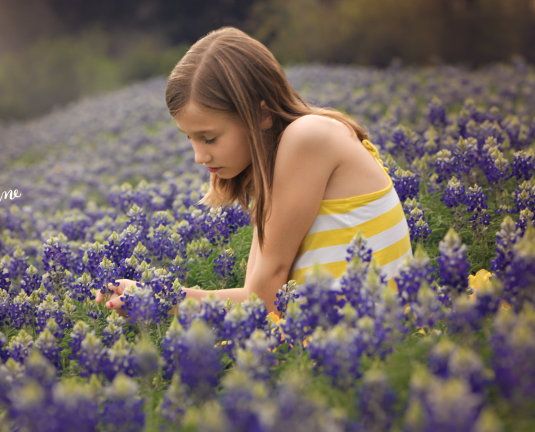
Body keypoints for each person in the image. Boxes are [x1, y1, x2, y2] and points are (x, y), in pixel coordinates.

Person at [95, 26, 412, 318]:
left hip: (365, 347)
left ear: (261, 114)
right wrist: (157, 298)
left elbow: (265, 302)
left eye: (209, 138)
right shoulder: (281, 169)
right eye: (189, 138)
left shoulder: (309, 136)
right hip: (337, 340)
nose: (198, 156)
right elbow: (256, 297)